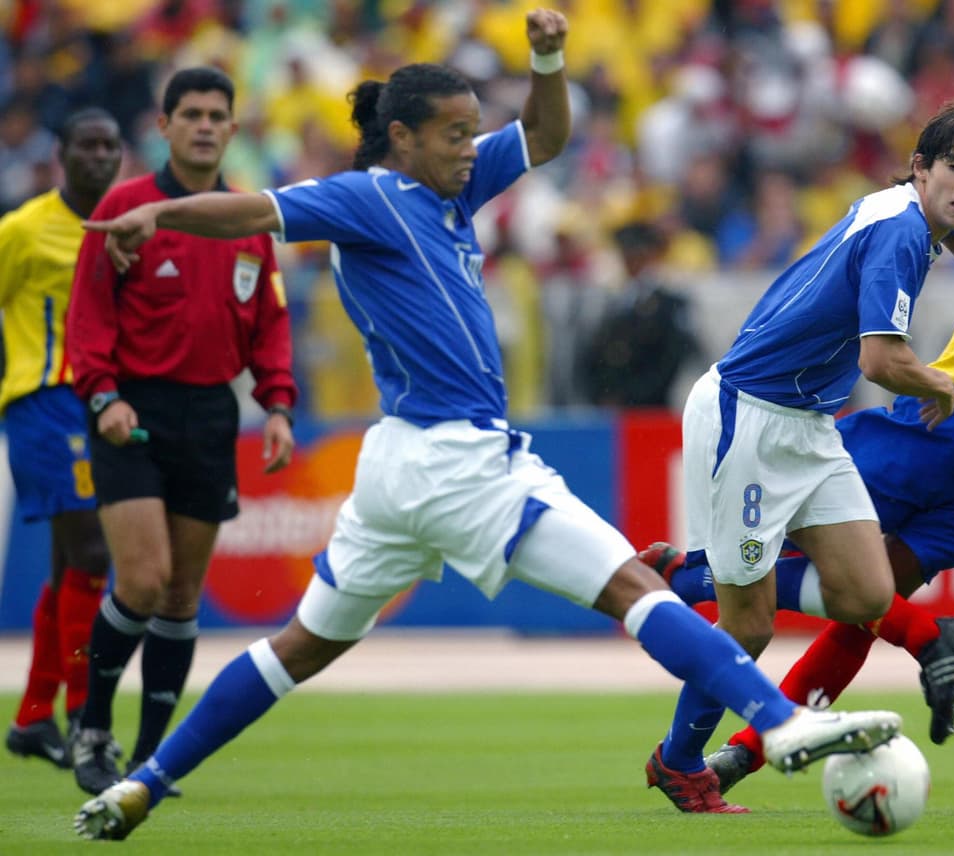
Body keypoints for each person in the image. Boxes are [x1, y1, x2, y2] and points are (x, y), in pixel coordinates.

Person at [72, 10, 902, 840]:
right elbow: (253, 211)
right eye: (455, 134)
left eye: (473, 131)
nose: (472, 147)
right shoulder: (370, 196)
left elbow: (544, 133)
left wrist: (547, 58)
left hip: (398, 466)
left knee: (302, 647)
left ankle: (144, 782)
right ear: (400, 136)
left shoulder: (452, 188)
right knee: (631, 585)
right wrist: (161, 216)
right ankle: (781, 721)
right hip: (456, 458)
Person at [653, 107, 954, 802]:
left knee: (827, 595)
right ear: (925, 169)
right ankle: (739, 750)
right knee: (858, 602)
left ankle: (692, 579)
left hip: (950, 422)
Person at [641, 100, 954, 814]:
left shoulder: (906, 209)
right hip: (746, 416)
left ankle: (690, 574)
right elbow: (880, 358)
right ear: (920, 170)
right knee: (747, 625)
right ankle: (678, 762)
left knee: (868, 595)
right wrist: (935, 380)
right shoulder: (904, 235)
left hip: (809, 427)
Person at [65, 66, 298, 797]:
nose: (203, 124)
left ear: (233, 129)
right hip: (132, 410)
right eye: (189, 113)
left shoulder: (245, 220)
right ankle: (91, 728)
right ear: (162, 127)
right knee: (140, 578)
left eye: (216, 114)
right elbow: (88, 316)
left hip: (210, 413)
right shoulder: (127, 209)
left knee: (180, 596)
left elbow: (270, 322)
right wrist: (103, 396)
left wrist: (280, 405)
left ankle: (149, 759)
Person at [1, 108, 122, 769]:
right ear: (62, 154)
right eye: (87, 145)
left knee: (68, 564)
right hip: (45, 400)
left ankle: (30, 720)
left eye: (110, 146)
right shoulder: (22, 230)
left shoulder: (127, 225)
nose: (99, 157)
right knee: (94, 553)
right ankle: (84, 719)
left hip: (103, 403)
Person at [580, 221, 700, 408]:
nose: (630, 262)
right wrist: (601, 394)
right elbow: (596, 354)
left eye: (637, 256)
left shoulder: (670, 303)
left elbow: (671, 359)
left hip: (652, 409)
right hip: (614, 407)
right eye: (626, 256)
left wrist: (633, 396)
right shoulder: (614, 301)